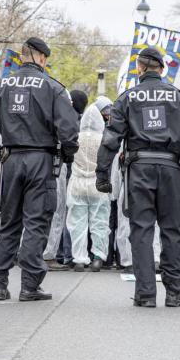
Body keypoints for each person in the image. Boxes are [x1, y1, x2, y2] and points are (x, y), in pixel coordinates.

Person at [95, 47, 180, 308]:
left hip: (139, 170)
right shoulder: (178, 97)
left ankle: (145, 293)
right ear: (162, 69)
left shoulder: (127, 98)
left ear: (139, 68)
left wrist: (102, 173)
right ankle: (174, 293)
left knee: (141, 231)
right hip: (171, 170)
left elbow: (110, 139)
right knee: (172, 230)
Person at [0, 36, 79, 301]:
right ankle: (30, 285)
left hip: (11, 160)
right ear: (41, 58)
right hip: (41, 160)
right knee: (36, 222)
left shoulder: (0, 85)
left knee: (9, 224)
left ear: (22, 56)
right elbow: (69, 131)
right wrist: (66, 156)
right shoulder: (52, 88)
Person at [66, 103, 110, 271]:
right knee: (99, 222)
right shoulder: (103, 139)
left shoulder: (75, 137)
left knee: (77, 223)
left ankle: (79, 259)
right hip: (97, 183)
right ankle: (98, 257)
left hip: (77, 183)